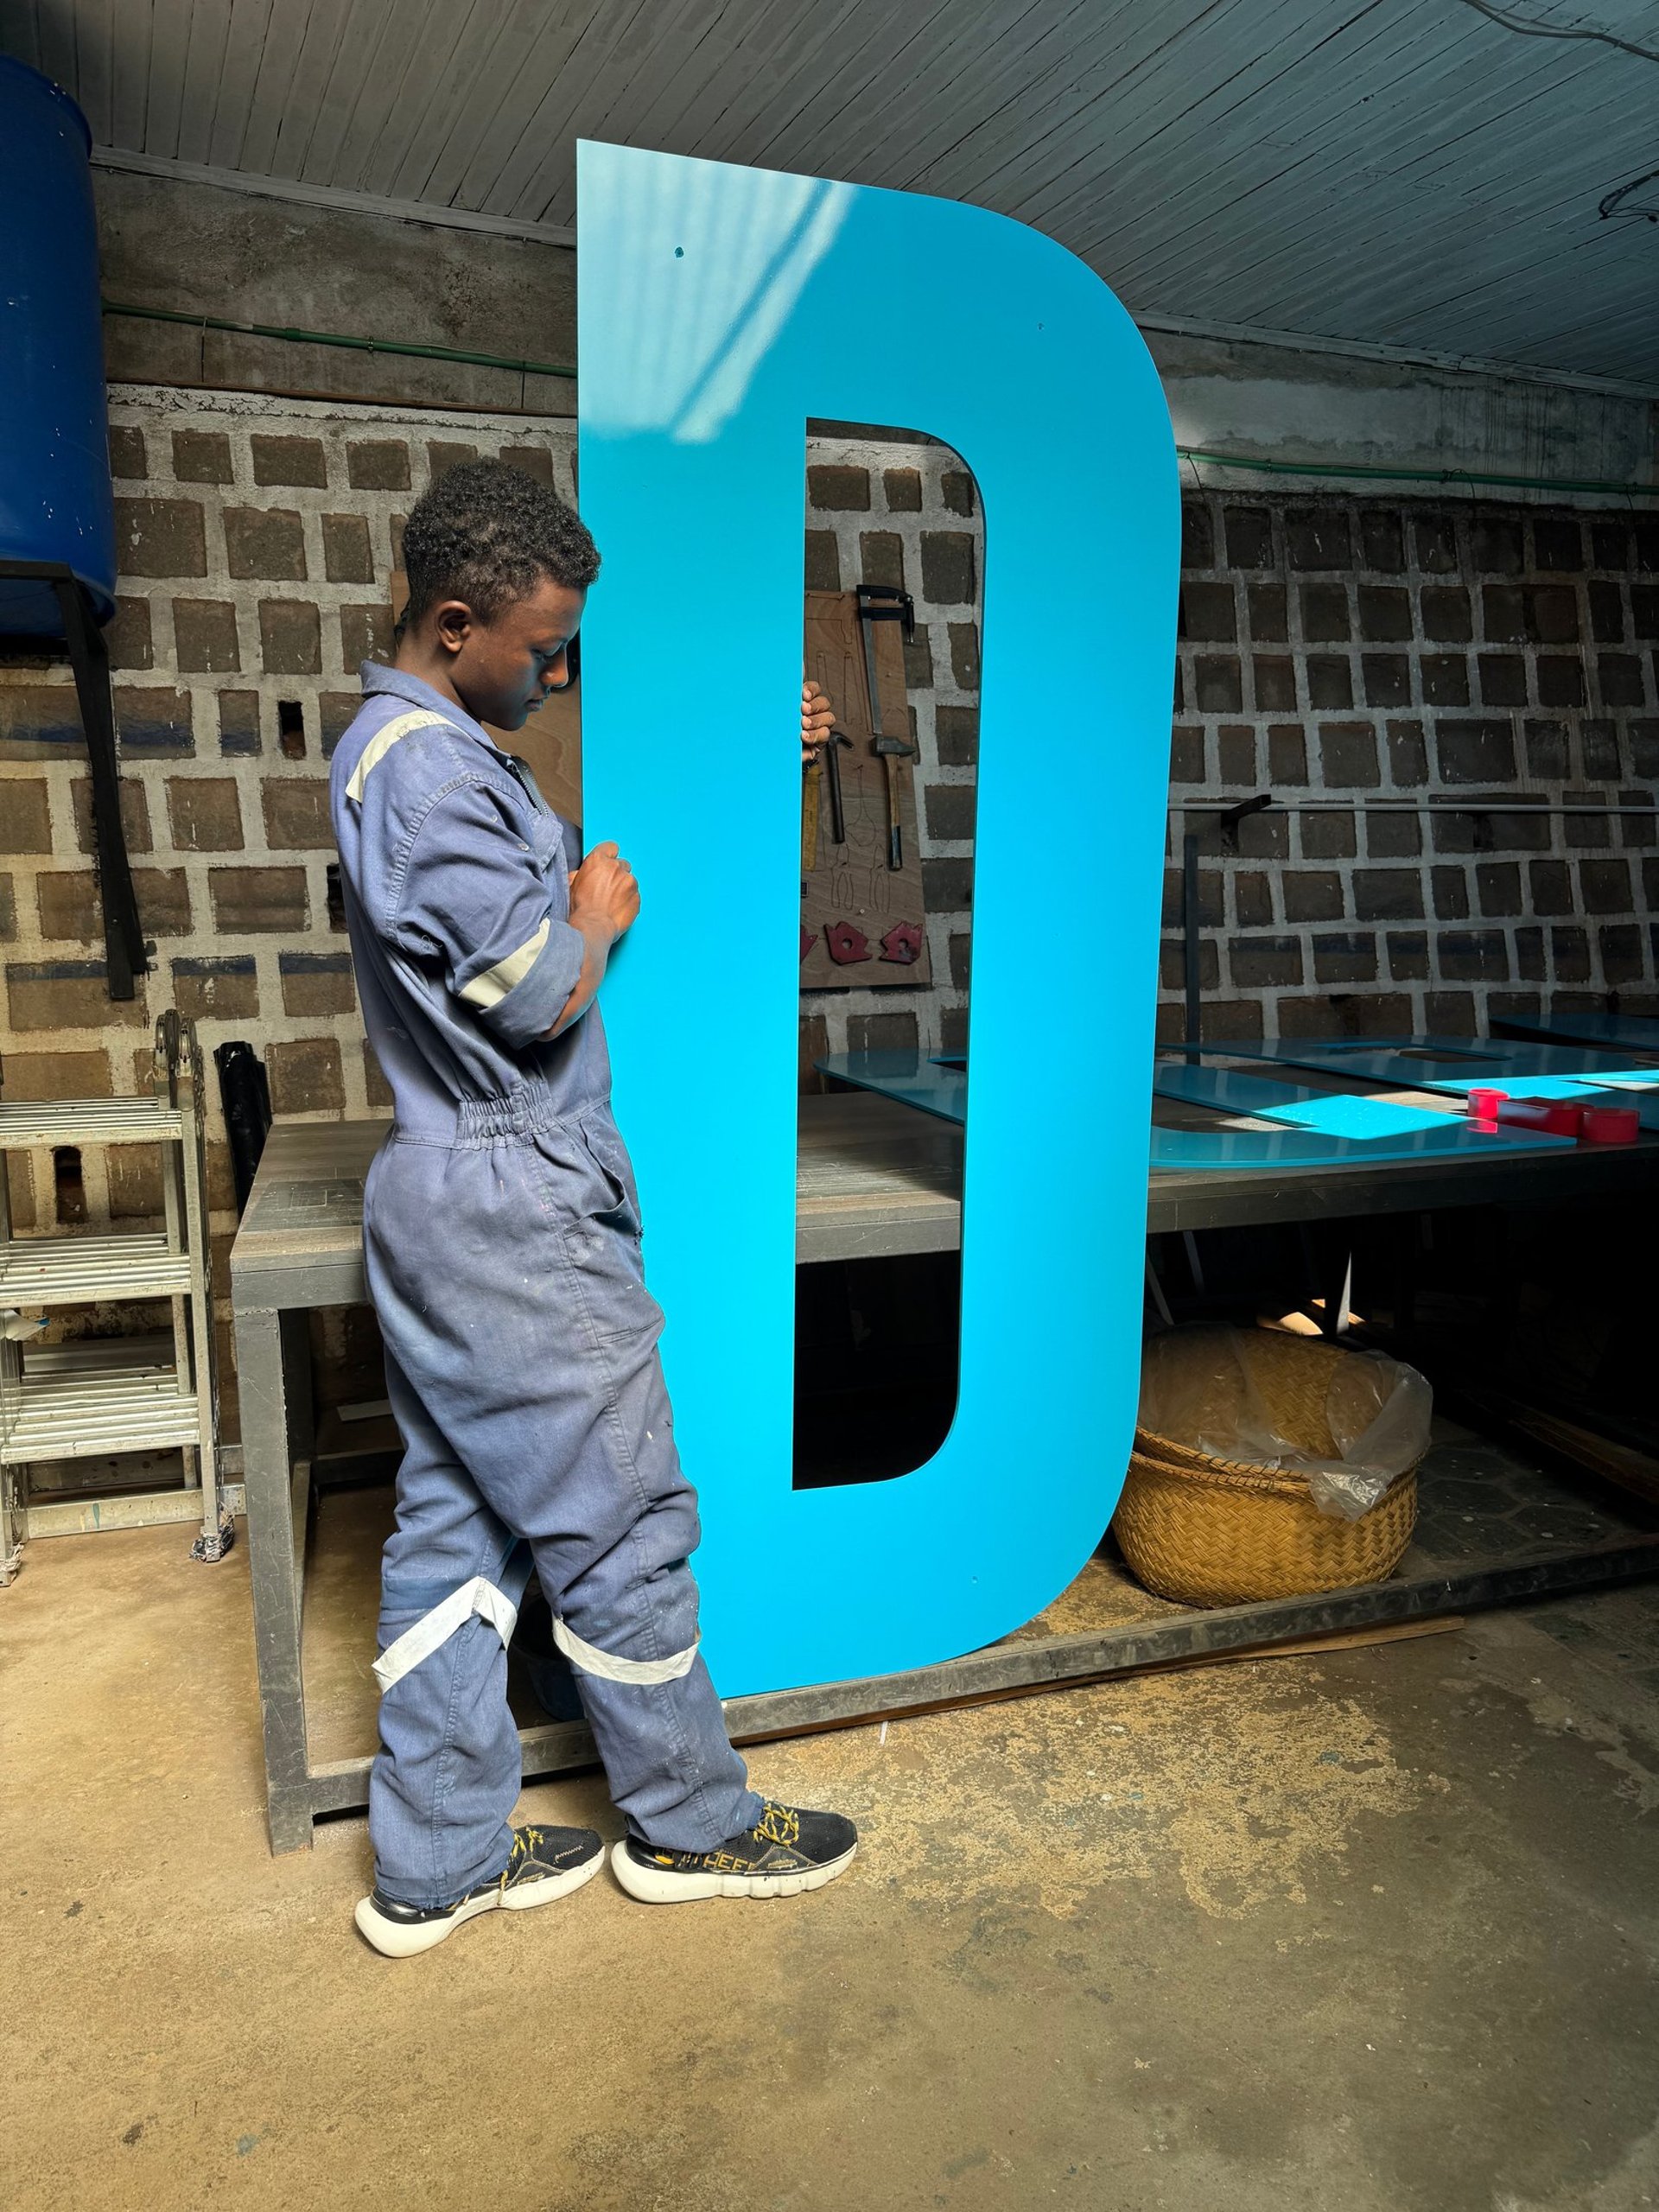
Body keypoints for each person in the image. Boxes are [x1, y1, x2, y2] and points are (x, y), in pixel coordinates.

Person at [330, 458, 853, 1957]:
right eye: (543, 646)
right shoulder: (431, 773)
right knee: (621, 1523)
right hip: (513, 1203)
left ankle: (433, 1862)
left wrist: (764, 728)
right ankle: (689, 1827)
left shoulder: (402, 744)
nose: (558, 671)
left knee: (458, 1523)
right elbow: (533, 996)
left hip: (450, 1203)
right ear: (451, 623)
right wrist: (591, 921)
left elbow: (612, 708)